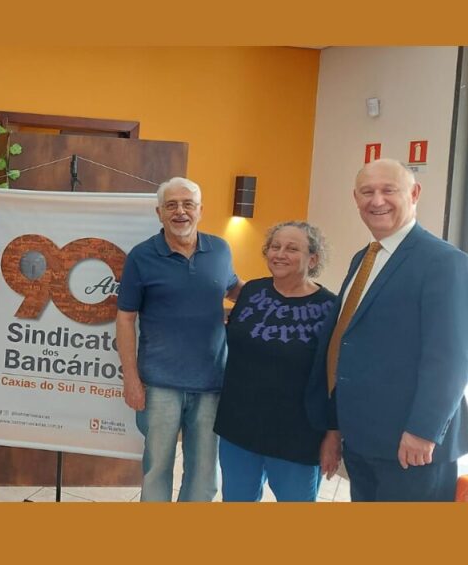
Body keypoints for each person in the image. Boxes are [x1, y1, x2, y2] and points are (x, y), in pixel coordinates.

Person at [307, 158, 468, 501]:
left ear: (414, 193)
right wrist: (336, 427)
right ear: (355, 198)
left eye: (388, 190)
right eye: (367, 192)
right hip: (364, 439)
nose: (377, 200)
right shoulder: (364, 258)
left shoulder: (444, 262)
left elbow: (450, 358)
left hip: (412, 446)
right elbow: (346, 342)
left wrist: (423, 431)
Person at [116, 176, 243, 502]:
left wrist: (280, 294)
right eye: (171, 205)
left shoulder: (220, 250)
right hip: (159, 385)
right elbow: (126, 318)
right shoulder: (141, 256)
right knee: (157, 469)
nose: (180, 212)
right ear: (159, 212)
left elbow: (234, 289)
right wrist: (131, 378)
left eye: (188, 204)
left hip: (212, 383)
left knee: (205, 474)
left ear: (200, 210)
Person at [213, 221, 339, 501]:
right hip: (238, 426)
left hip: (298, 435)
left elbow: (335, 378)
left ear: (313, 259)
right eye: (275, 246)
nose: (280, 254)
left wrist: (334, 435)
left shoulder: (330, 308)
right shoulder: (250, 292)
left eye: (292, 249)